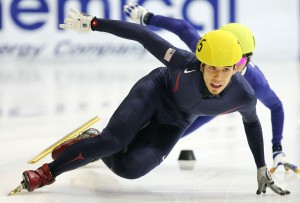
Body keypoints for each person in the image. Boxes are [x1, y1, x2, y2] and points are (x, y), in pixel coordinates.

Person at [20, 8, 290, 196]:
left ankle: (93, 140)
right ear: (202, 62)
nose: (218, 77)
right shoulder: (185, 61)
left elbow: (253, 123)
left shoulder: (245, 94)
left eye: (227, 69)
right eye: (211, 68)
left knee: (130, 169)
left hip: (179, 119)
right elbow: (144, 36)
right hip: (156, 91)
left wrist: (262, 165)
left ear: (239, 65)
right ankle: (46, 173)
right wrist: (93, 23)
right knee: (115, 141)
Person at [123, 3, 299, 174]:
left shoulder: (255, 81)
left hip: (207, 110)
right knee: (136, 124)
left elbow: (276, 106)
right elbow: (183, 28)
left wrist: (277, 148)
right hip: (186, 94)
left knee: (162, 136)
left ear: (248, 59)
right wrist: (147, 17)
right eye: (219, 60)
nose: (226, 66)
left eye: (237, 61)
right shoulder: (212, 52)